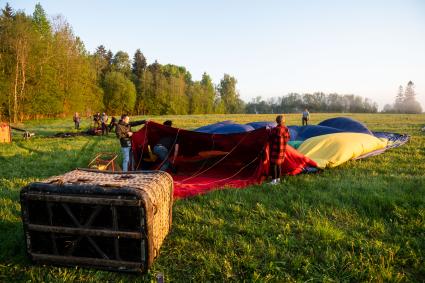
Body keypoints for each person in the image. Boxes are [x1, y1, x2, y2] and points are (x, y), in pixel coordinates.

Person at [269, 115, 290, 185]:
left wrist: (268, 129)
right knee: (279, 164)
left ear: (277, 121)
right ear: (283, 121)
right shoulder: (286, 129)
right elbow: (288, 137)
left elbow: (270, 137)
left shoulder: (275, 129)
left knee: (273, 165)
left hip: (275, 150)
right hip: (282, 150)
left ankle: (274, 181)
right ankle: (278, 179)